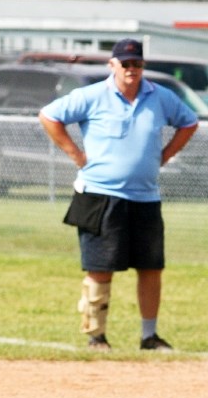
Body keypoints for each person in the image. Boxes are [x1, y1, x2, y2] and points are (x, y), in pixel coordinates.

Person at [39, 38, 198, 351]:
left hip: (146, 196)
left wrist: (165, 155)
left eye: (137, 63)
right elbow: (49, 115)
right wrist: (75, 153)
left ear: (143, 66)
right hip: (100, 194)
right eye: (125, 64)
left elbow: (189, 122)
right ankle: (96, 336)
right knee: (100, 266)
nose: (131, 69)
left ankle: (149, 336)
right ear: (112, 65)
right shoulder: (93, 95)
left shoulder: (159, 97)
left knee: (151, 267)